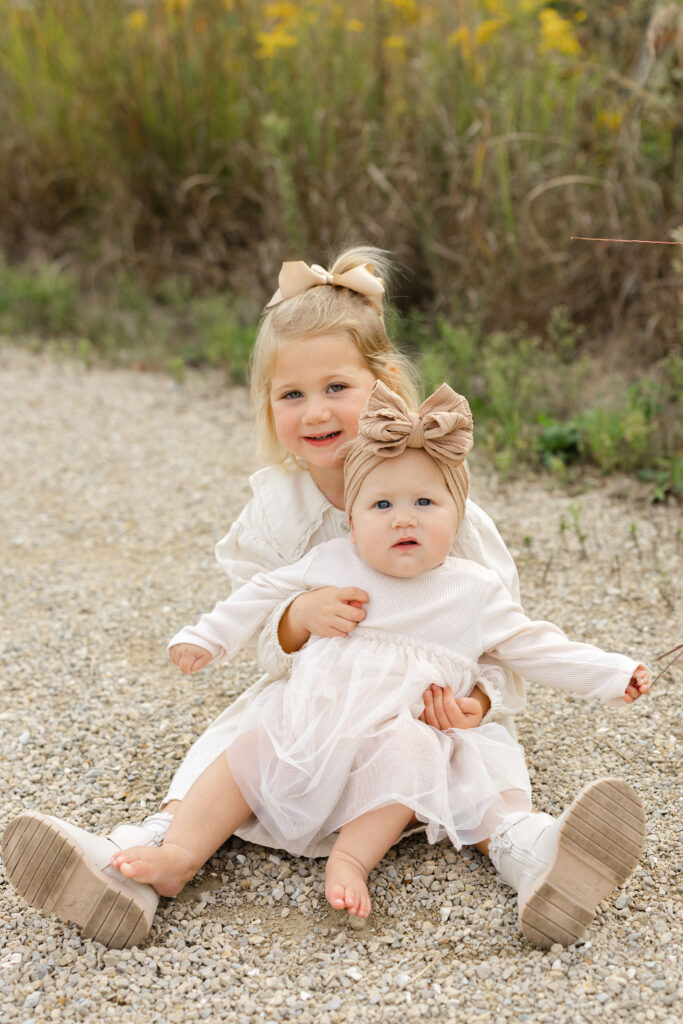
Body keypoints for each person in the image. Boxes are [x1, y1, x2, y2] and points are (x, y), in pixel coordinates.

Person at [0, 250, 603, 948]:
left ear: (383, 386)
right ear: (268, 407)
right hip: (315, 706)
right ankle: (141, 860)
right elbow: (257, 632)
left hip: (415, 714)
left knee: (472, 755)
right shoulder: (276, 515)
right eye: (291, 395)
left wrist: (478, 701)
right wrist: (295, 619)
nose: (314, 412)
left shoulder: (442, 508)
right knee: (240, 740)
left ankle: (530, 853)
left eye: (336, 387)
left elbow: (504, 636)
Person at [109, 382, 649, 946]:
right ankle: (177, 854)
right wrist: (207, 637)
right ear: (354, 517)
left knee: (415, 753)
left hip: (400, 745)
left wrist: (613, 675)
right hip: (312, 735)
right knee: (248, 746)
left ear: (457, 512)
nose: (402, 520)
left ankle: (353, 860)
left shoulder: (474, 589)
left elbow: (540, 647)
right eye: (381, 505)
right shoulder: (335, 561)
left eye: (425, 503)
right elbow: (261, 592)